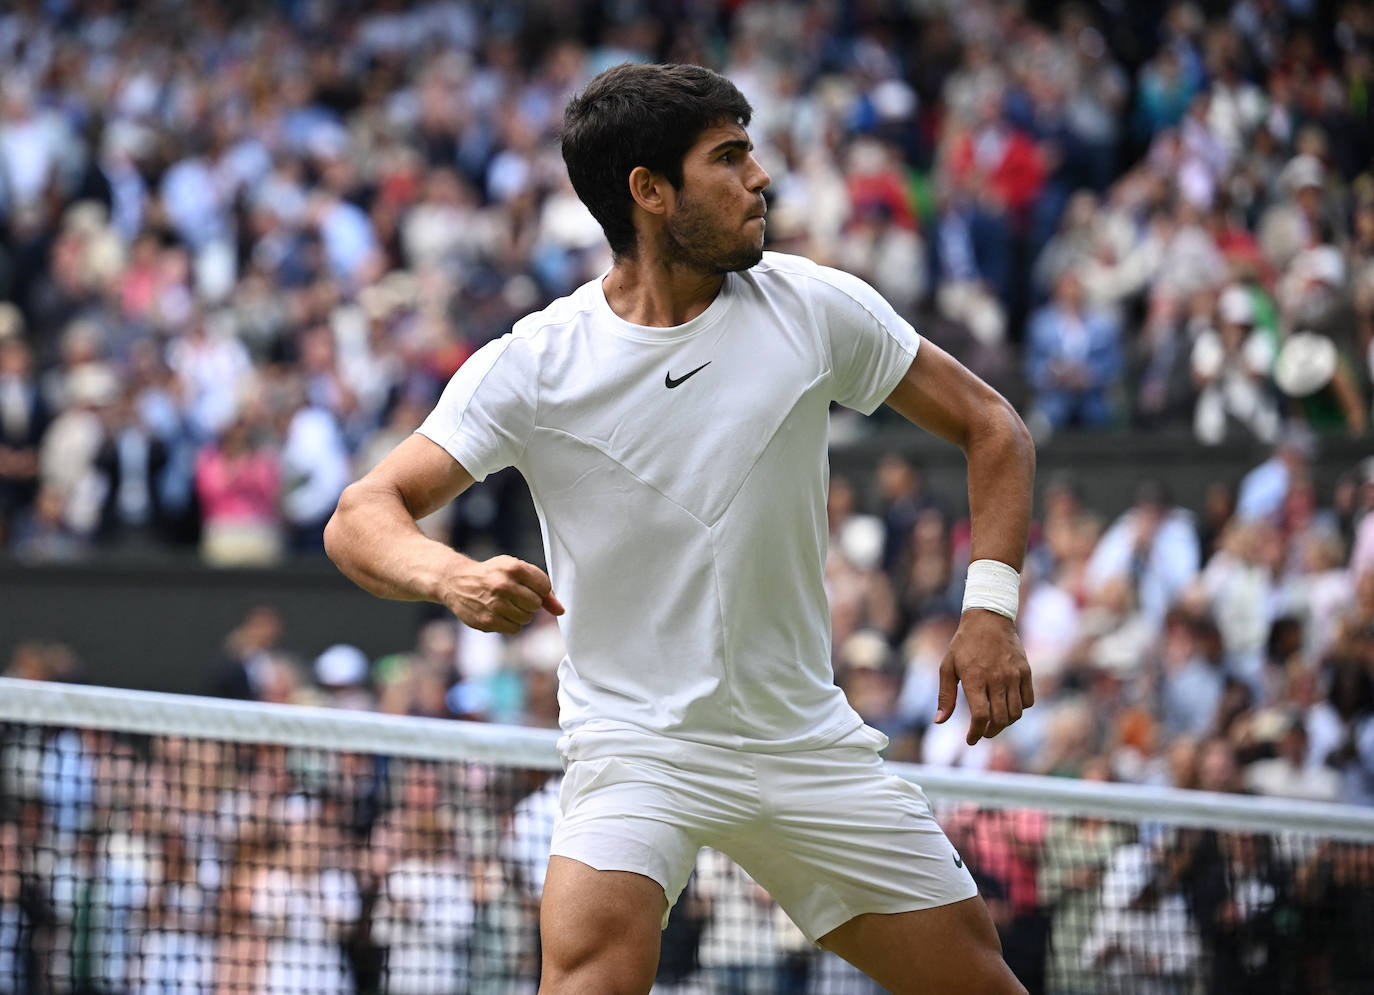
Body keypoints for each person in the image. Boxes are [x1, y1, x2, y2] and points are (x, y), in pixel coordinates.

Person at [326, 63, 1035, 995]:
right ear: (649, 192)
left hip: (800, 741)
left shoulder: (815, 308)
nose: (762, 178)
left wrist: (989, 608)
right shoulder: (536, 363)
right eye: (730, 156)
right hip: (634, 747)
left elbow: (995, 427)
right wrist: (449, 576)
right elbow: (360, 515)